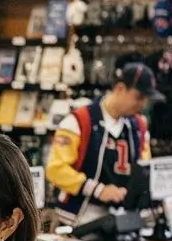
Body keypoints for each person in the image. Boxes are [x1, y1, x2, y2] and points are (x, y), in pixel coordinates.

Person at [46, 62, 154, 224]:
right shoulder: (79, 121)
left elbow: (144, 169)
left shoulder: (139, 126)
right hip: (77, 218)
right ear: (120, 89)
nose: (143, 104)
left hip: (123, 218)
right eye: (139, 97)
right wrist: (98, 190)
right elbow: (55, 170)